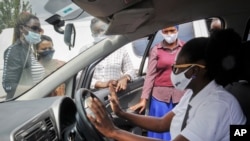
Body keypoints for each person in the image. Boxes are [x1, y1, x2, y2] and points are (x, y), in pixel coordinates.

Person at [87, 28, 246, 141]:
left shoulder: (216, 106)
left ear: (196, 70)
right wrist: (121, 113)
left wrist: (114, 132)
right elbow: (162, 123)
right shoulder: (193, 94)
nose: (174, 73)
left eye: (178, 68)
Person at [130, 26, 185, 140]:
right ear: (161, 32)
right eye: (166, 31)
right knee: (158, 130)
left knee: (179, 129)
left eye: (172, 31)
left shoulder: (185, 48)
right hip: (159, 98)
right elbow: (150, 75)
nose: (169, 34)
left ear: (177, 31)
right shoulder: (156, 49)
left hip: (181, 96)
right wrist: (143, 99)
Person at [2, 12, 45, 99]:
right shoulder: (15, 50)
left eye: (39, 30)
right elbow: (9, 86)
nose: (37, 32)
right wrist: (37, 89)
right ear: (22, 28)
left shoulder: (28, 50)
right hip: (21, 105)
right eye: (34, 28)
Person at [88, 18, 136, 92]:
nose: (100, 34)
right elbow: (80, 76)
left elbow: (130, 70)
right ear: (92, 34)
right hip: (94, 95)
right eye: (96, 32)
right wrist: (102, 84)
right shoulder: (87, 51)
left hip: (116, 93)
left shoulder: (119, 48)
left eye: (102, 30)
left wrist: (125, 77)